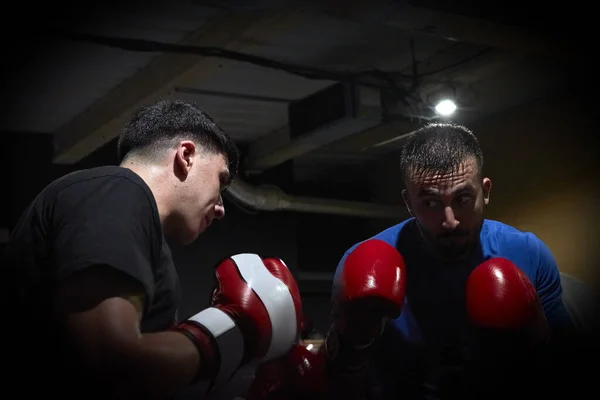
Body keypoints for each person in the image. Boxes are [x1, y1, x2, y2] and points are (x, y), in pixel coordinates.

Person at [1, 99, 304, 400]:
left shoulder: (137, 226)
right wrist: (235, 332)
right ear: (186, 155)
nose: (222, 208)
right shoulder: (117, 189)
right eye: (220, 181)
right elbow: (111, 364)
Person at [322, 122, 580, 399]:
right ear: (409, 202)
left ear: (486, 191)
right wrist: (353, 347)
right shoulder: (361, 261)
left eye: (463, 198)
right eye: (430, 203)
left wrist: (538, 338)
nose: (450, 220)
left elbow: (569, 370)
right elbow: (340, 385)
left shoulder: (527, 254)